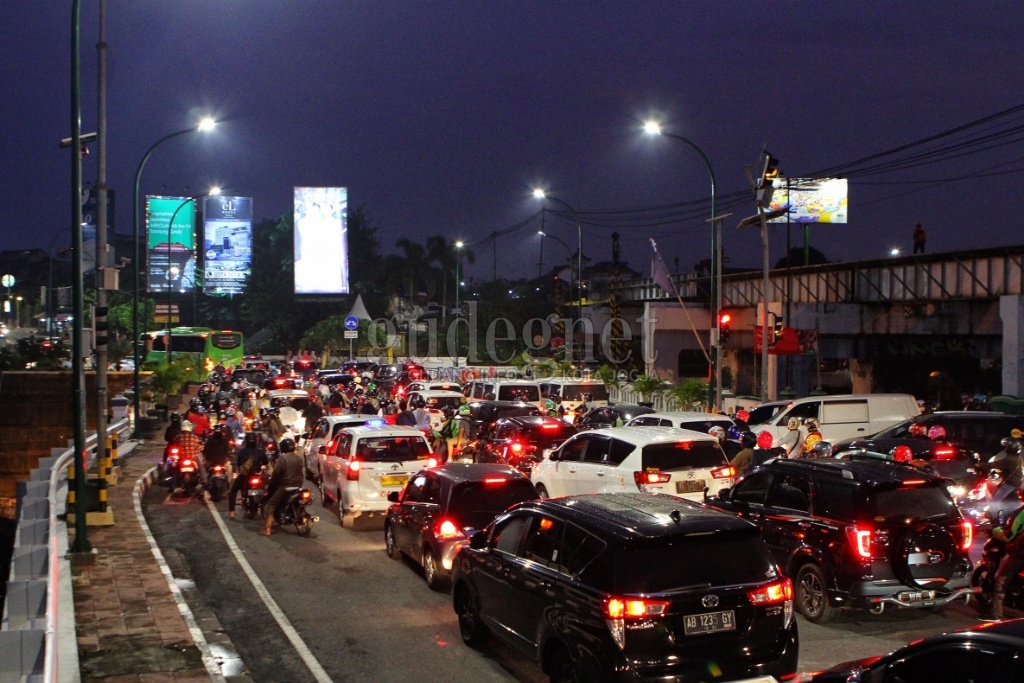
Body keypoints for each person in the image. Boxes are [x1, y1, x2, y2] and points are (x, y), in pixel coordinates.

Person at [984, 482, 1024, 621]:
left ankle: (995, 614)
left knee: (1000, 579)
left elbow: (1009, 535)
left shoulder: (1022, 513)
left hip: (1020, 553)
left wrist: (995, 530)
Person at [262, 437, 304, 536]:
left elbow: (276, 474)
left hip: (286, 485)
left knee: (271, 503)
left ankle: (267, 529)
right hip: (298, 485)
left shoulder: (283, 458)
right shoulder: (299, 458)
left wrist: (271, 484)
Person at [228, 432, 269, 518]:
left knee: (233, 491)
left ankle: (231, 512)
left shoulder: (242, 452)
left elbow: (239, 464)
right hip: (257, 475)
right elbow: (266, 462)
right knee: (267, 488)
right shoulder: (260, 452)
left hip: (245, 476)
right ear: (256, 441)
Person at [202, 423, 234, 489]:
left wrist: (205, 457)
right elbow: (227, 451)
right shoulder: (225, 440)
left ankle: (204, 482)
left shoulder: (210, 439)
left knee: (203, 468)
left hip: (210, 461)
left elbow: (205, 450)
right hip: (222, 461)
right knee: (229, 467)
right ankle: (229, 482)